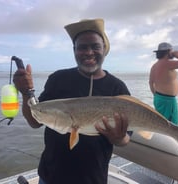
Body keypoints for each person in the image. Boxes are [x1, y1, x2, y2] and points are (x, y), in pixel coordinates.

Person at [13, 18, 131, 184]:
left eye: (95, 46)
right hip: (50, 176)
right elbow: (35, 122)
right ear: (74, 50)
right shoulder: (58, 79)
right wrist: (25, 93)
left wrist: (118, 138)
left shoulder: (117, 88)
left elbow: (126, 139)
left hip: (93, 179)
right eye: (82, 47)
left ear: (104, 49)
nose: (89, 52)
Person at [149, 42, 178, 124]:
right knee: (170, 126)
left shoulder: (155, 66)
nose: (173, 52)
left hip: (160, 98)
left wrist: (156, 95)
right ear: (168, 52)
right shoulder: (167, 63)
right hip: (167, 100)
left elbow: (150, 82)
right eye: (172, 51)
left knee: (161, 124)